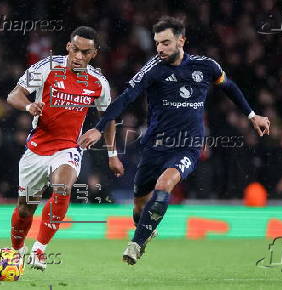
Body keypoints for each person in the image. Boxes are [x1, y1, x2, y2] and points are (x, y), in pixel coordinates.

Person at [78, 16, 271, 265]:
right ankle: (146, 229)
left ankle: (135, 243)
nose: (160, 49)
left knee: (164, 184)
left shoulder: (206, 66)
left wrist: (252, 115)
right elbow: (126, 99)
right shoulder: (153, 69)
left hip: (188, 146)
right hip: (156, 146)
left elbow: (229, 87)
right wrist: (99, 127)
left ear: (181, 40)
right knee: (139, 203)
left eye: (166, 43)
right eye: (157, 43)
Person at [7, 26, 124, 270]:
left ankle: (39, 249)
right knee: (25, 208)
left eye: (86, 52)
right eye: (76, 50)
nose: (79, 57)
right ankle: (17, 251)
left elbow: (109, 117)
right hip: (37, 148)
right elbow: (14, 96)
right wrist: (29, 107)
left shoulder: (98, 82)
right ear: (68, 47)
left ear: (94, 53)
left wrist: (112, 154)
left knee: (62, 188)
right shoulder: (47, 67)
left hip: (68, 147)